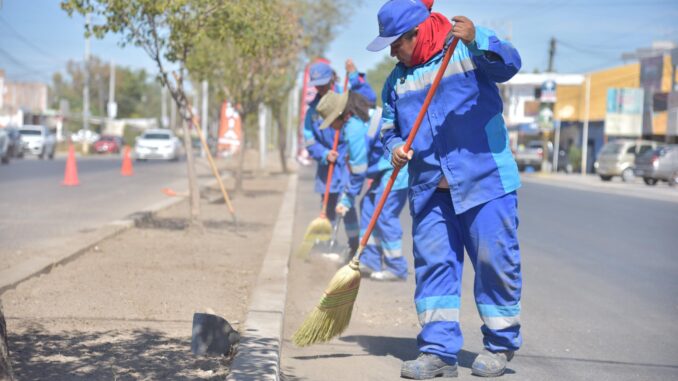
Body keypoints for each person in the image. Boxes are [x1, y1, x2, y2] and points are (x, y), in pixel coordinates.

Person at [367, 0, 523, 379]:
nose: (391, 51)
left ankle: (499, 346)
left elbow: (509, 65)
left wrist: (478, 37)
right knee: (435, 268)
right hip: (430, 189)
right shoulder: (397, 80)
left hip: (485, 183)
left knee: (494, 263)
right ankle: (438, 351)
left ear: (415, 34)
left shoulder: (465, 52)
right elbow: (387, 129)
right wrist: (395, 148)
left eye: (394, 43)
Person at [321, 60, 410, 282]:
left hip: (397, 169)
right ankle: (369, 260)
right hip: (385, 169)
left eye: (331, 121)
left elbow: (359, 171)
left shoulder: (352, 130)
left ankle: (396, 266)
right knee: (368, 206)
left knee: (385, 214)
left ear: (341, 115)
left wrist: (348, 198)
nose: (332, 126)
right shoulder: (360, 117)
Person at [303, 62, 360, 255]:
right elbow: (309, 141)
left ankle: (354, 244)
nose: (319, 87)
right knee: (327, 206)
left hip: (345, 163)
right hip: (327, 165)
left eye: (323, 83)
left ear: (332, 80)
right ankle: (326, 243)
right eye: (316, 84)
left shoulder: (343, 99)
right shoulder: (312, 112)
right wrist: (324, 154)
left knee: (346, 205)